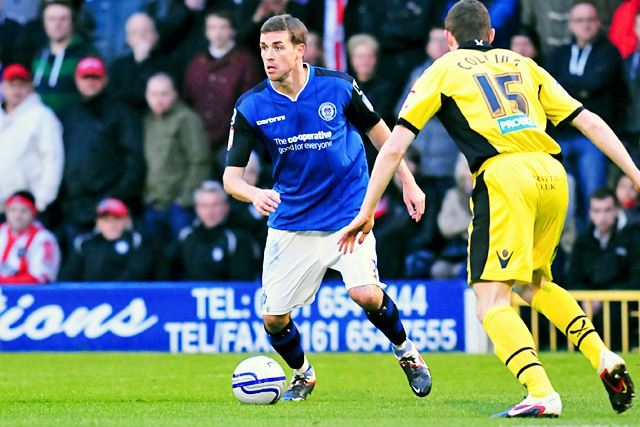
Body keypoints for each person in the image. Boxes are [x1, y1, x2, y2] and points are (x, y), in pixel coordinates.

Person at [338, 0, 637, 418]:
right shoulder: (522, 63)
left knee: (489, 301)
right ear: (491, 35)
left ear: (448, 38)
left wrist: (368, 209)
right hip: (553, 175)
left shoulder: (441, 69)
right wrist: (635, 173)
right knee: (534, 283)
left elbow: (393, 147)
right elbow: (588, 121)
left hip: (503, 177)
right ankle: (602, 354)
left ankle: (541, 391)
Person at [223, 14, 431, 402]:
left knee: (366, 294)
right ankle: (303, 374)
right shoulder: (251, 105)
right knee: (273, 320)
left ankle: (407, 353)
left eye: (279, 47)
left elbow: (383, 136)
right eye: (264, 48)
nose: (269, 56)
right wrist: (253, 194)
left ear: (301, 50)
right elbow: (230, 178)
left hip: (348, 214)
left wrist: (409, 181)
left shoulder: (338, 86)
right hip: (293, 221)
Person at [545, 2, 626, 226]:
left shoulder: (609, 52)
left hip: (593, 138)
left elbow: (596, 81)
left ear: (598, 23)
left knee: (594, 197)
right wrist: (582, 88)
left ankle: (594, 245)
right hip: (559, 137)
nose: (586, 25)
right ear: (570, 25)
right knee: (562, 202)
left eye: (590, 20)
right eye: (580, 20)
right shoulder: (558, 54)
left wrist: (564, 85)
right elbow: (546, 85)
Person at [57, 57, 145, 250]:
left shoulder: (121, 113)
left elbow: (134, 158)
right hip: (74, 207)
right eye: (86, 77)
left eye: (95, 77)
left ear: (104, 80)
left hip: (110, 208)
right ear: (77, 80)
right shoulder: (67, 114)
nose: (91, 82)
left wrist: (119, 195)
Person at [183, 8, 261, 180]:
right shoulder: (196, 63)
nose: (217, 33)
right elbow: (187, 100)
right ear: (206, 32)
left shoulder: (245, 62)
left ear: (232, 30)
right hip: (198, 140)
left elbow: (251, 106)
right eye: (212, 27)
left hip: (231, 142)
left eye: (223, 27)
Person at [567, 186, 640, 351]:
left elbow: (636, 280)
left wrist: (603, 299)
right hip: (589, 304)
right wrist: (588, 299)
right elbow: (573, 278)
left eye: (607, 210)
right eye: (597, 211)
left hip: (623, 304)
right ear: (590, 213)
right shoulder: (584, 240)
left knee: (613, 314)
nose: (602, 217)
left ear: (617, 210)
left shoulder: (634, 236)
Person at [142, 72, 210, 243]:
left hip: (178, 206)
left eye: (164, 94)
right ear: (147, 96)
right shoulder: (148, 120)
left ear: (174, 94)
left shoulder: (187, 118)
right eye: (154, 94)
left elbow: (200, 161)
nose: (159, 99)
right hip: (153, 202)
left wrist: (184, 200)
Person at [161, 180, 260, 281]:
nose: (210, 211)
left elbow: (243, 282)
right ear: (197, 209)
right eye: (205, 206)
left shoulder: (237, 239)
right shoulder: (186, 237)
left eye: (215, 205)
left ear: (225, 207)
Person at [0, 64, 64, 218]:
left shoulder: (42, 116)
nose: (16, 91)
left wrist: (42, 200)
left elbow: (53, 160)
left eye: (21, 85)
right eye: (11, 85)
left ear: (30, 87)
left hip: (27, 208)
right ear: (3, 87)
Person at [58, 198, 154, 282]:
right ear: (98, 222)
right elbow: (68, 275)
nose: (112, 225)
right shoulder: (84, 244)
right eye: (106, 220)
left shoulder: (137, 242)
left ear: (127, 220)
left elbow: (135, 273)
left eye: (117, 219)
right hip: (90, 299)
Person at [31, 0, 99, 113]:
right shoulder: (39, 56)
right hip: (42, 126)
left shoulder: (87, 55)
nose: (57, 24)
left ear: (71, 22)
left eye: (63, 19)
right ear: (45, 24)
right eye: (52, 19)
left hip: (74, 126)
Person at [0, 191, 60, 284]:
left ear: (33, 214)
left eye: (24, 210)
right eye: (13, 210)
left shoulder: (44, 239)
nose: (18, 216)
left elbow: (40, 277)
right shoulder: (2, 232)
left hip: (30, 295)